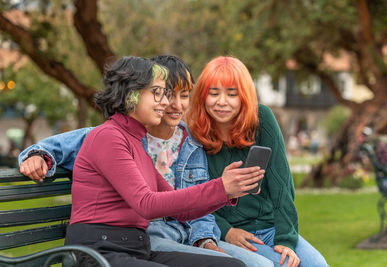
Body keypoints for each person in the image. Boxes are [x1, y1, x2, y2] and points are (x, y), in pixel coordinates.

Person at [19, 56, 270, 267]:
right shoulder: (108, 137)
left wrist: (225, 191)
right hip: (98, 253)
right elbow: (146, 204)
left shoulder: (134, 142)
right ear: (131, 95)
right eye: (157, 93)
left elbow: (180, 211)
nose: (165, 102)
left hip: (134, 249)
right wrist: (220, 187)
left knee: (231, 265)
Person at [186, 56, 329, 267]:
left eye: (231, 94)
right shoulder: (192, 135)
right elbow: (193, 199)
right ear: (203, 96)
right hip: (231, 233)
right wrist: (227, 231)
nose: (222, 101)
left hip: (271, 227)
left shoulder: (262, 120)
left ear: (243, 96)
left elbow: (282, 186)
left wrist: (286, 239)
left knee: (317, 264)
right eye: (213, 93)